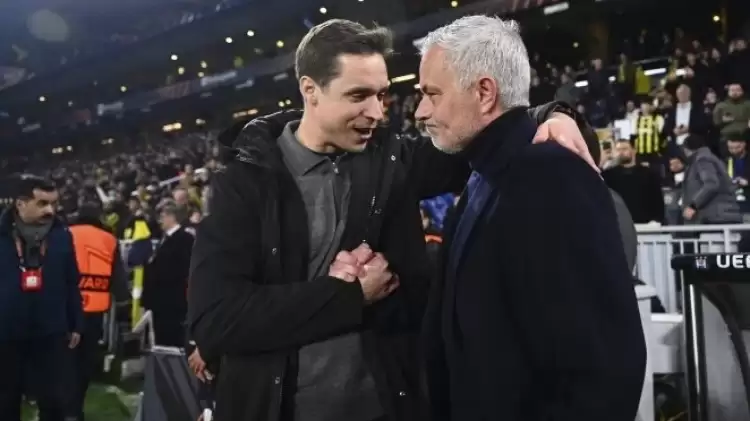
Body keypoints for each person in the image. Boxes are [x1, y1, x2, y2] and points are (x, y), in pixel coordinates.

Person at [188, 18, 595, 421]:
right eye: (358, 96)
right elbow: (216, 320)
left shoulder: (392, 159)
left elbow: (487, 133)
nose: (377, 112)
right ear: (310, 90)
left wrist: (553, 116)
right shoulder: (243, 184)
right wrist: (348, 296)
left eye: (382, 95)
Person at [415, 16, 646, 421]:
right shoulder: (484, 176)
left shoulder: (551, 176)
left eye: (432, 94)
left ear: (484, 92)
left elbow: (602, 368)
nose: (420, 111)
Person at [0, 174, 84, 421]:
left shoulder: (62, 235)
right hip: (6, 331)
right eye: (42, 203)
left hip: (51, 330)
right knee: (5, 399)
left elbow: (71, 280)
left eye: (54, 204)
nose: (50, 210)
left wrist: (76, 321)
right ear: (20, 204)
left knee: (54, 399)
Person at [67, 204, 130, 421]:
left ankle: (62, 408)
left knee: (64, 361)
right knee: (84, 363)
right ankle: (75, 411)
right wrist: (123, 303)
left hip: (67, 308)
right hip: (95, 311)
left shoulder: (66, 234)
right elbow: (118, 278)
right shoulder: (109, 240)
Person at [142, 200, 194, 347]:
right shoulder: (163, 239)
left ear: (172, 216)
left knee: (171, 340)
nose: (160, 220)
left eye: (162, 216)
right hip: (160, 301)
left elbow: (182, 268)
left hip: (172, 301)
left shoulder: (185, 239)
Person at [680, 134, 742, 224]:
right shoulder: (711, 158)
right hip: (721, 213)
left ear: (686, 149)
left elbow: (711, 184)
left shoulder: (702, 159)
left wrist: (693, 205)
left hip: (716, 215)